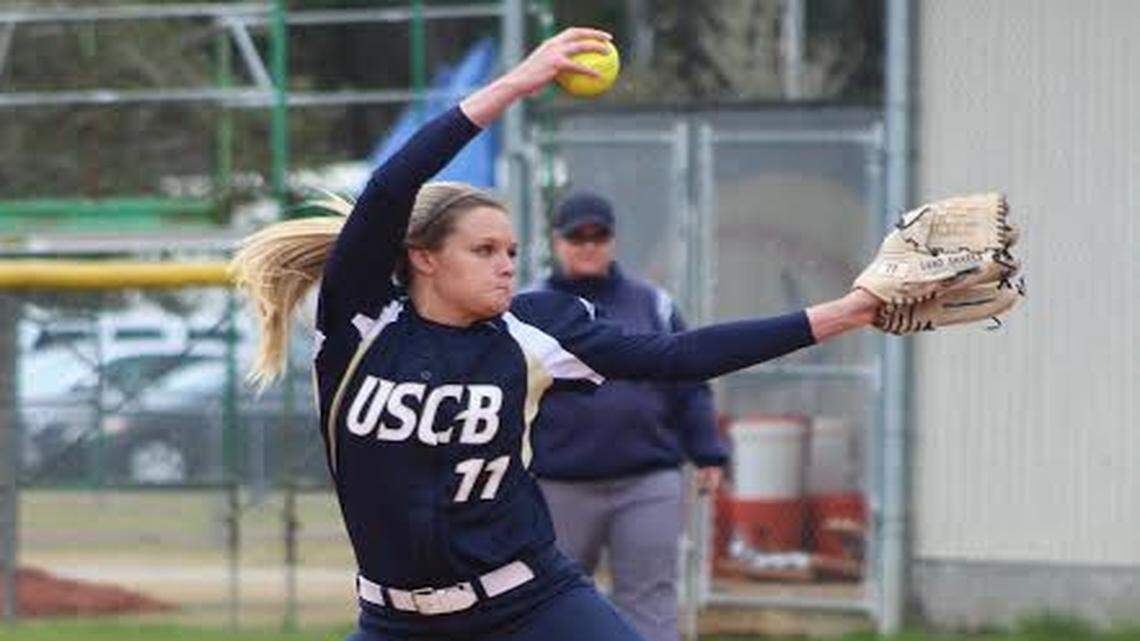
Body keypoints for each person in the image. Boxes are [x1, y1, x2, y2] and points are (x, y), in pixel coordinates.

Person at [231, 27, 882, 641]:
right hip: (395, 620)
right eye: (484, 249)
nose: (506, 262)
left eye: (511, 248)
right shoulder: (360, 322)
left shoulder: (536, 328)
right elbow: (392, 184)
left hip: (530, 603)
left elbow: (678, 354)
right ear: (424, 256)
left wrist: (846, 311)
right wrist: (515, 84)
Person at [529, 191, 723, 641]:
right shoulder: (531, 306)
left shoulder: (652, 303)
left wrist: (708, 452)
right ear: (557, 241)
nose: (588, 245)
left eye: (599, 235)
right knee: (550, 602)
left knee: (650, 599)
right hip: (558, 483)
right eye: (576, 236)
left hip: (646, 479)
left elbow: (688, 380)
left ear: (613, 240)